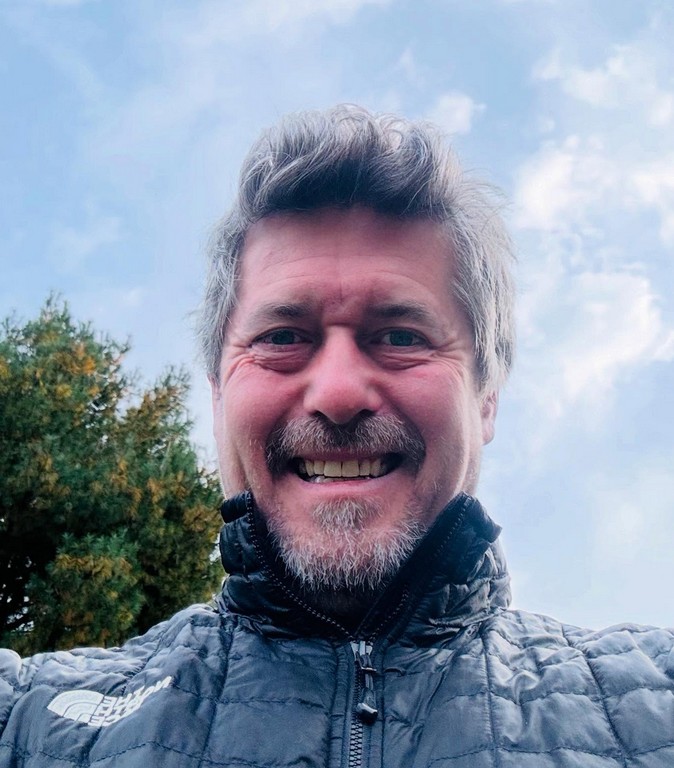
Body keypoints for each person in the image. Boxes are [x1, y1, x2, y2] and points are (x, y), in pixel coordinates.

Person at [1, 105, 673, 768]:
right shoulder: (23, 721)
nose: (339, 392)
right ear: (218, 398)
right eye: (282, 337)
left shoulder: (656, 703)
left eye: (401, 336)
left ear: (486, 398)